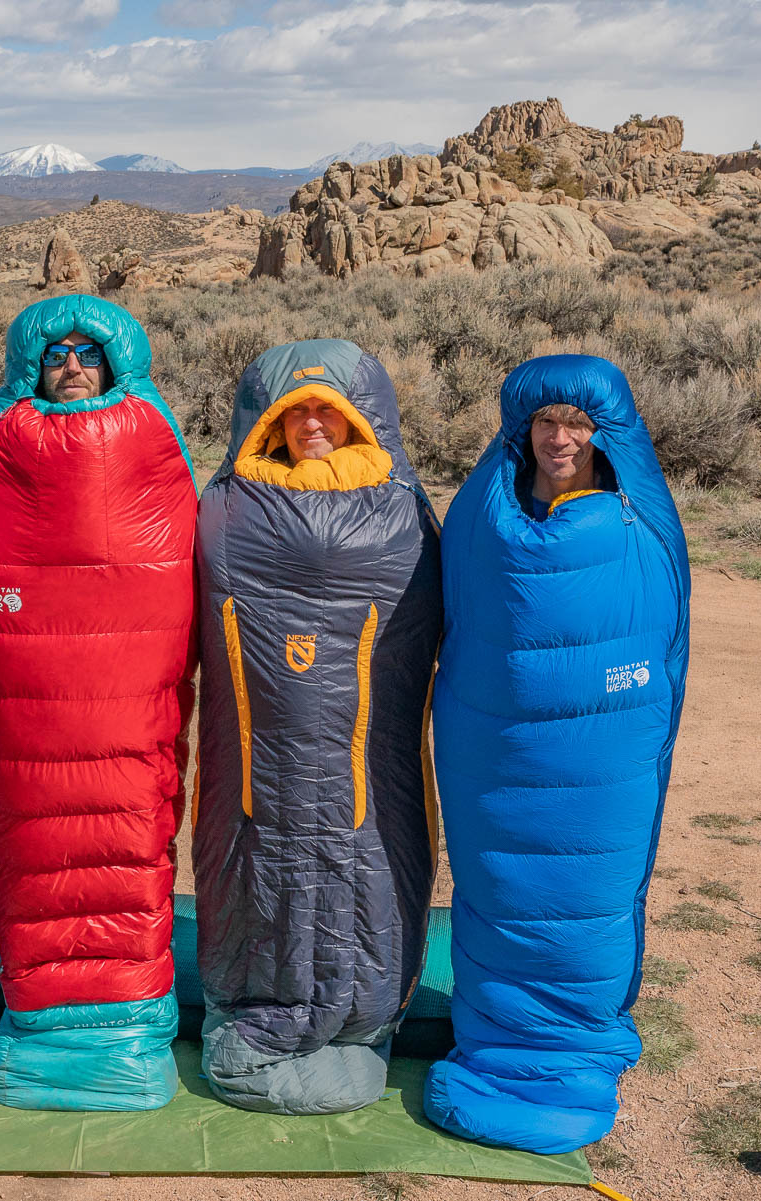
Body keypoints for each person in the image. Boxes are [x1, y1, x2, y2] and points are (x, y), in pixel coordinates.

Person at [423, 354, 690, 1155]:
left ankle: (566, 1050)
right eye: (547, 422)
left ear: (604, 432)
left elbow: (666, 624)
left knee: (585, 891)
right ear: (523, 427)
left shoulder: (636, 516)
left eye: (577, 423)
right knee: (500, 884)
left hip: (602, 752)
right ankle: (497, 1042)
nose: (561, 437)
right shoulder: (484, 510)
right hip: (497, 747)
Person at [0, 295, 197, 1112]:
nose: (72, 367)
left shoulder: (150, 438)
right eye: (55, 355)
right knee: (34, 844)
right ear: (30, 366)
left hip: (127, 705)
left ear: (117, 363)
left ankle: (128, 1027)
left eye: (88, 353)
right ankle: (42, 1026)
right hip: (28, 707)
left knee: (129, 837)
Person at [193, 339, 443, 1115]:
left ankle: (359, 1012)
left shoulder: (402, 514)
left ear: (360, 420)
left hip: (364, 764)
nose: (310, 422)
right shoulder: (227, 510)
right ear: (265, 423)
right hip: (256, 768)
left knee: (363, 843)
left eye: (327, 409)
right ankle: (259, 1001)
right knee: (259, 847)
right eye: (293, 409)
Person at [525, 402, 608, 519]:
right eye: (547, 421)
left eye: (576, 422)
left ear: (597, 432)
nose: (560, 441)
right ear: (530, 429)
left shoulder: (624, 507)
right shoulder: (499, 500)